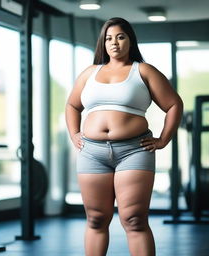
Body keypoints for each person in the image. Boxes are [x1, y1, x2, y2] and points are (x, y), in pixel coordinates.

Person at [65, 17, 183, 256]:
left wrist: (163, 139)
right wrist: (74, 133)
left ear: (130, 40)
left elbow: (174, 105)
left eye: (120, 37)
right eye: (108, 38)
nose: (114, 43)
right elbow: (72, 105)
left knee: (134, 220)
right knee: (96, 219)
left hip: (134, 151)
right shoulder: (90, 72)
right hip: (93, 153)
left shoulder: (144, 70)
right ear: (103, 43)